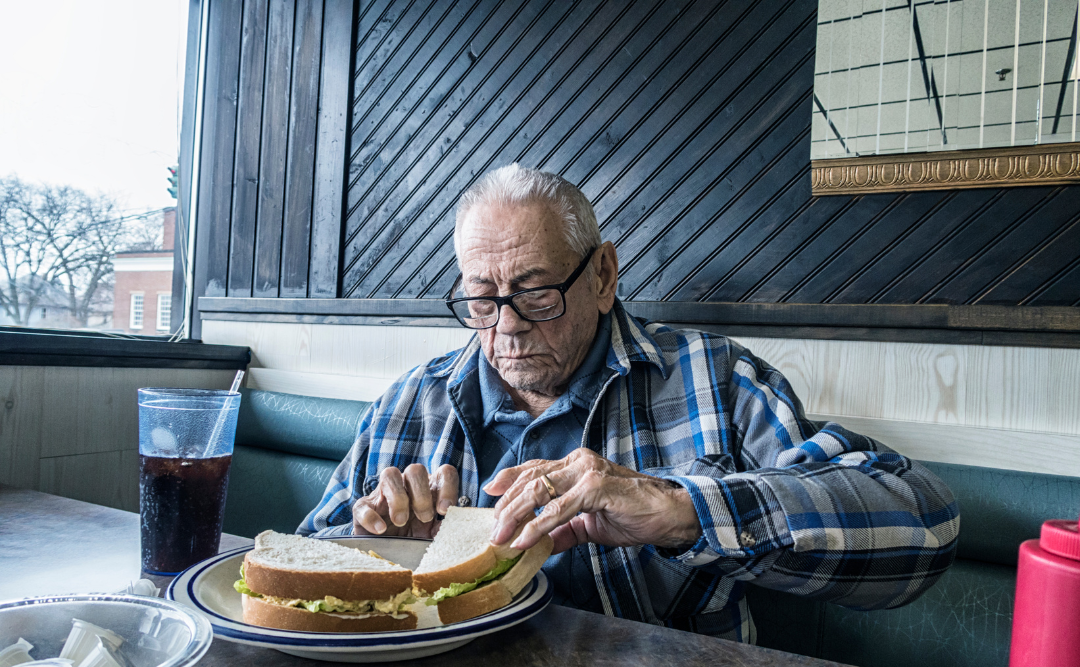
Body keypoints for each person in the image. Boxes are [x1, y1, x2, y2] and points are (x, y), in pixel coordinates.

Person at [300, 163, 959, 641]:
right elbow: (301, 564)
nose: (506, 326)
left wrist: (679, 509)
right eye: (481, 299)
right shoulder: (409, 403)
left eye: (535, 292)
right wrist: (382, 559)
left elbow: (925, 528)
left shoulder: (714, 379)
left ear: (603, 275)